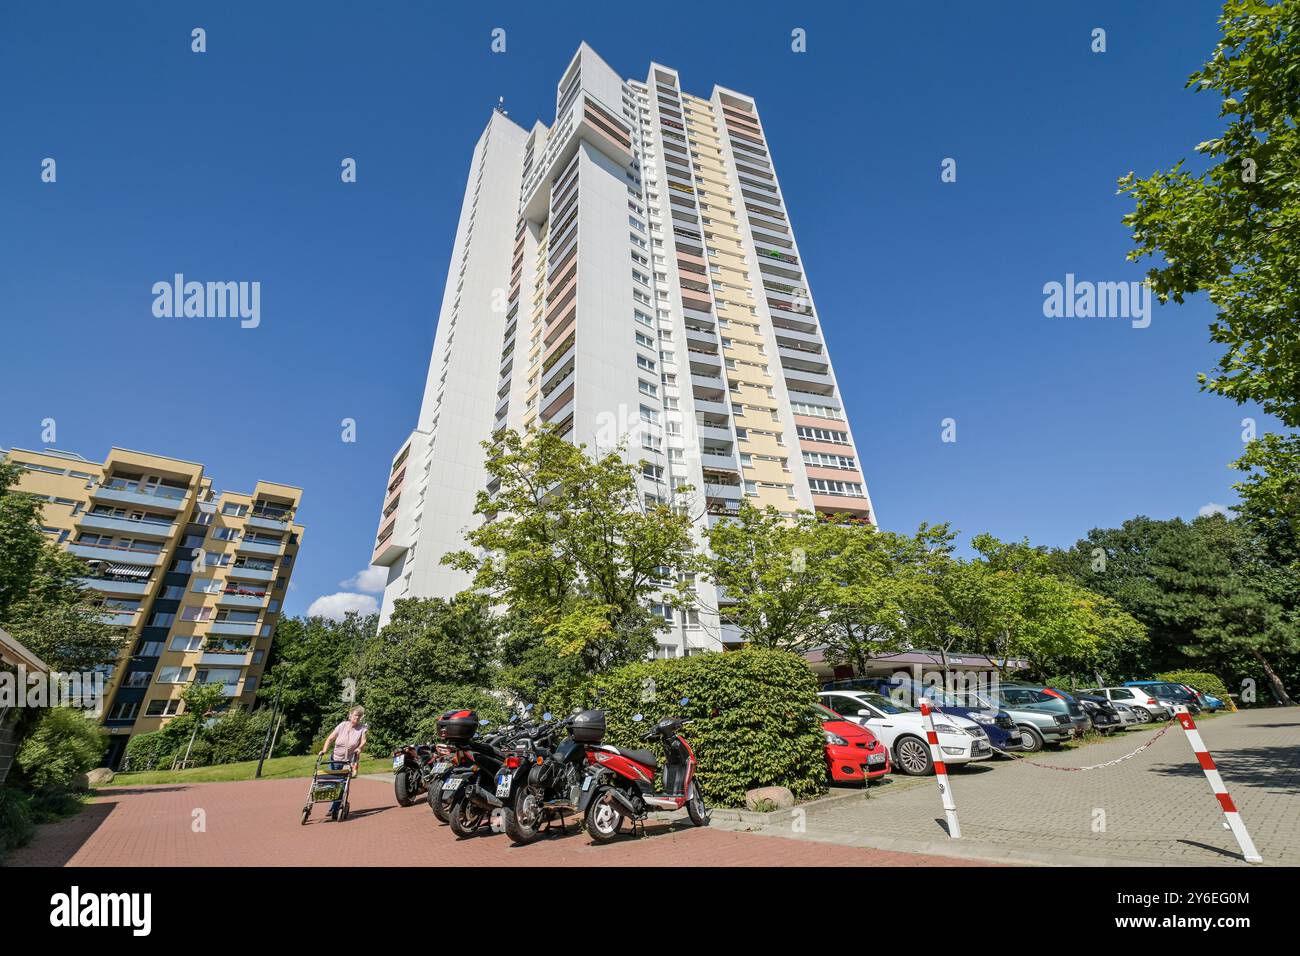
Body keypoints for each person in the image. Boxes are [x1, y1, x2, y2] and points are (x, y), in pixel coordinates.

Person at [320, 706, 367, 820]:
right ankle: (334, 806)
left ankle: (334, 808)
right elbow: (330, 738)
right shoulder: (342, 725)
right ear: (350, 716)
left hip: (348, 761)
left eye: (359, 716)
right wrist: (324, 750)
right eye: (356, 715)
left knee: (342, 784)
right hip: (335, 759)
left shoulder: (362, 728)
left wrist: (359, 748)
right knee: (334, 783)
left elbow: (363, 741)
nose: (357, 717)